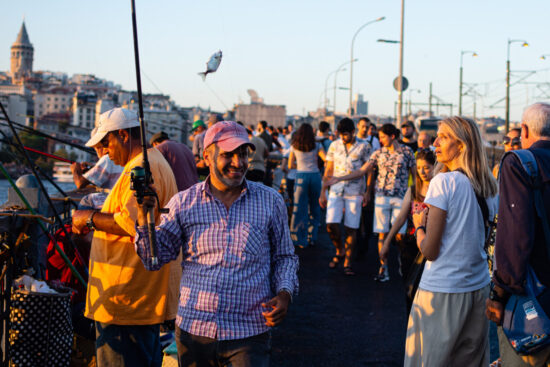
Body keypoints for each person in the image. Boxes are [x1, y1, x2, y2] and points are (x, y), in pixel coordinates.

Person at [134, 120, 299, 367]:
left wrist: (284, 293)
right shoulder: (184, 203)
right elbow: (153, 260)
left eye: (242, 154)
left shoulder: (270, 201)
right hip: (194, 331)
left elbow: (285, 256)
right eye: (228, 155)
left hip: (249, 331)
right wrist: (143, 219)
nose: (238, 162)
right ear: (207, 157)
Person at [71, 108, 180, 367]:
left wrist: (87, 218)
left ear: (122, 135)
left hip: (128, 300)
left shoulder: (144, 166)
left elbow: (133, 222)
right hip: (137, 298)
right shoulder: (147, 162)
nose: (105, 152)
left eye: (106, 143)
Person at [404, 116, 498, 366]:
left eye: (443, 137)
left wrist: (419, 226)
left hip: (442, 290)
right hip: (478, 287)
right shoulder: (489, 187)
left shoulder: (443, 182)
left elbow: (430, 251)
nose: (435, 142)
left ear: (462, 145)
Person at [486, 102, 550, 366]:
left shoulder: (518, 164)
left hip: (533, 294)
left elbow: (515, 237)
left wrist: (500, 292)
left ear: (524, 130)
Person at [328, 124, 416, 282]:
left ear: (392, 136)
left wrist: (416, 196)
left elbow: (415, 175)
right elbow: (362, 171)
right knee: (382, 234)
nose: (380, 140)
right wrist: (340, 178)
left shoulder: (407, 152)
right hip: (381, 197)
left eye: (383, 137)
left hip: (401, 197)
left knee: (400, 236)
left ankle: (402, 263)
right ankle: (383, 268)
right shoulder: (378, 153)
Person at [379, 149, 436, 312]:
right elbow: (401, 218)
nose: (422, 172)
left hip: (432, 245)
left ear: (435, 167)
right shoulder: (413, 190)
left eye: (427, 167)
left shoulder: (440, 189)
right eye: (419, 168)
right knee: (410, 290)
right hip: (410, 246)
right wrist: (387, 242)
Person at [320, 118, 372, 275]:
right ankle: (340, 250)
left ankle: (348, 261)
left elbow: (369, 171)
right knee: (330, 224)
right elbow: (328, 169)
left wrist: (368, 192)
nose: (343, 138)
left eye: (346, 135)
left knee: (351, 228)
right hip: (335, 189)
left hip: (355, 191)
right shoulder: (334, 145)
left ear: (353, 132)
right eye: (341, 135)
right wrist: (323, 191)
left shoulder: (364, 146)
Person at [288, 123, 326, 248]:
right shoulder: (317, 145)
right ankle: (312, 236)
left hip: (301, 176)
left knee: (299, 208)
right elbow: (326, 159)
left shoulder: (294, 146)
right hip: (315, 176)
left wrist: (299, 164)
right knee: (315, 207)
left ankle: (298, 238)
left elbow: (289, 166)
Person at [71, 127, 123, 210]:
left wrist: (75, 170)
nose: (101, 150)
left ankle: (81, 222)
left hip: (113, 203)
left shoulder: (107, 159)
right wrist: (89, 171)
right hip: (120, 201)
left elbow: (80, 184)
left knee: (87, 200)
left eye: (99, 146)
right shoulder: (120, 156)